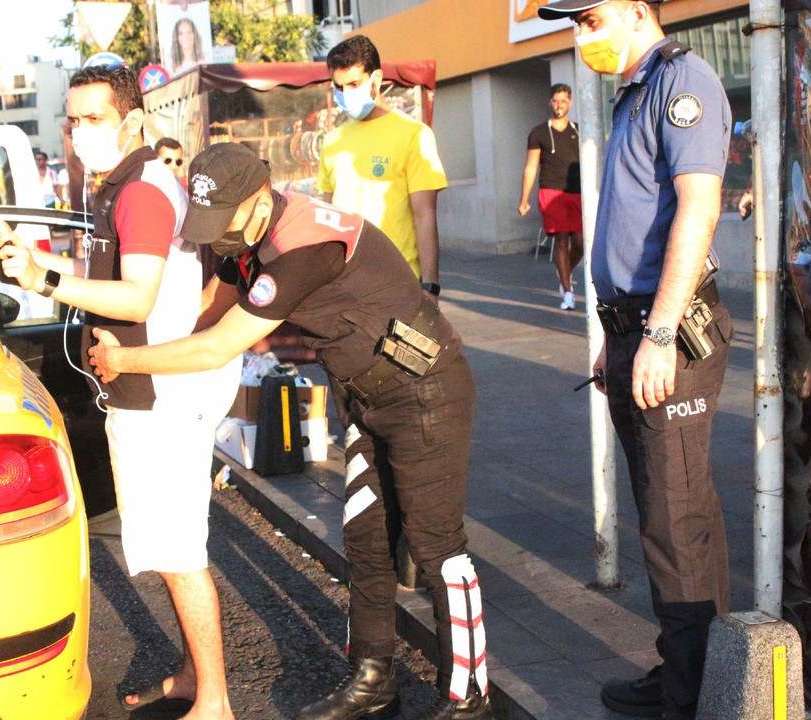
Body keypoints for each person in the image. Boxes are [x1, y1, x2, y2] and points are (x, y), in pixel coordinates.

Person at [89, 143, 492, 720]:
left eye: (220, 221)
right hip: (366, 396)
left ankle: (469, 698)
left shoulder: (304, 247)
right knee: (366, 543)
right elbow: (207, 312)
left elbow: (217, 344)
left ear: (258, 198)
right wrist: (144, 347)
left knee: (436, 548)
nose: (216, 238)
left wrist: (128, 362)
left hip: (426, 391)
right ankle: (374, 678)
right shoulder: (247, 237)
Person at [0, 63, 240, 720]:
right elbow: (127, 280)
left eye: (92, 118)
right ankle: (191, 674)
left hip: (162, 393)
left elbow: (138, 295)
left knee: (180, 553)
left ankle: (214, 702)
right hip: (149, 387)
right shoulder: (120, 185)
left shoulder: (142, 192)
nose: (78, 132)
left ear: (131, 120)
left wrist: (45, 280)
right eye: (72, 119)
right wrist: (48, 269)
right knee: (163, 543)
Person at [538, 1, 734, 718]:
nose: (580, 34)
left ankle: (689, 695)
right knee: (677, 511)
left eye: (590, 18)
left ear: (638, 11)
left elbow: (698, 208)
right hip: (634, 328)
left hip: (668, 331)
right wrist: (614, 332)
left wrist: (655, 335)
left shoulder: (683, 84)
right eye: (574, 23)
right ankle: (694, 669)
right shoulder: (635, 93)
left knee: (673, 520)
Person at [318, 35, 448, 297]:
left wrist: (430, 286)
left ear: (375, 79)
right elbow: (327, 215)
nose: (345, 94)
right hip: (343, 286)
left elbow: (425, 216)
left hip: (398, 283)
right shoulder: (332, 142)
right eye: (339, 87)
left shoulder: (414, 135)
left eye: (354, 84)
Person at [518, 83, 584, 310]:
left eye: (564, 100)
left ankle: (564, 269)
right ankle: (567, 292)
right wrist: (524, 199)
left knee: (580, 243)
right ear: (550, 102)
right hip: (550, 190)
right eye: (556, 100)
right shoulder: (539, 133)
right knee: (561, 240)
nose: (559, 105)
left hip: (577, 191)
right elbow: (531, 166)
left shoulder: (579, 129)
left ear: (570, 103)